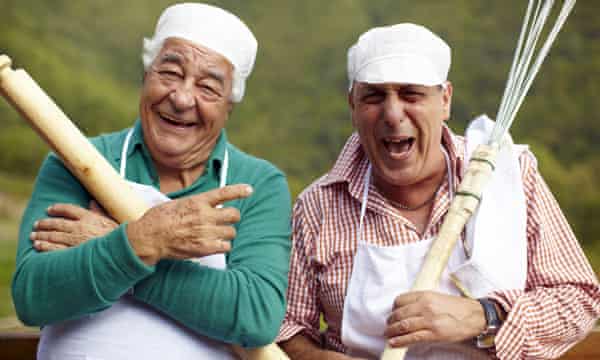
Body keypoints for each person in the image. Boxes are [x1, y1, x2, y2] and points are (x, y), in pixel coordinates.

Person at [277, 23, 600, 359]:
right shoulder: (318, 205)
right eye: (373, 96)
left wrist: (483, 315)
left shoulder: (507, 176)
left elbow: (579, 300)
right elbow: (287, 326)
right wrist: (312, 357)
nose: (392, 113)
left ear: (444, 100)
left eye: (411, 94)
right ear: (352, 105)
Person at [11, 3, 291, 359]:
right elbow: (34, 296)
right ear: (147, 74)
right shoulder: (75, 159)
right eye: (170, 73)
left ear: (229, 106)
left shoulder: (257, 183)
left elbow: (255, 316)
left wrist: (123, 244)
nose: (182, 97)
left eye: (207, 87)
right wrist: (145, 240)